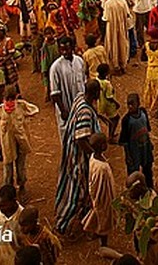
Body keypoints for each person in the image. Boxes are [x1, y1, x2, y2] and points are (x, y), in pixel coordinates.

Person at [55, 79, 101, 235]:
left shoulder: (80, 97)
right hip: (78, 157)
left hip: (71, 151)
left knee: (78, 188)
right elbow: (81, 139)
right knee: (77, 191)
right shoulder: (85, 112)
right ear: (95, 93)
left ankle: (84, 216)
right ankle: (63, 223)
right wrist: (94, 156)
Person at [0, 85, 41, 195]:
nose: (10, 102)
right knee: (8, 169)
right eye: (7, 99)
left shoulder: (21, 106)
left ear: (16, 97)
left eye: (12, 99)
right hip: (7, 145)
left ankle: (22, 185)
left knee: (21, 167)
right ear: (3, 98)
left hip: (21, 142)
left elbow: (34, 109)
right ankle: (9, 190)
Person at [49, 37, 87, 143]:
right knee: (67, 137)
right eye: (62, 50)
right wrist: (63, 111)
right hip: (66, 107)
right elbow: (54, 93)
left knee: (82, 132)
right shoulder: (55, 67)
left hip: (80, 105)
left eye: (68, 49)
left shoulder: (79, 61)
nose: (65, 52)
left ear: (73, 48)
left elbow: (84, 81)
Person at [82, 132, 115, 247]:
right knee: (104, 220)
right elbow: (98, 185)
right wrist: (96, 199)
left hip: (99, 196)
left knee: (99, 217)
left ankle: (95, 232)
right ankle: (103, 245)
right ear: (102, 146)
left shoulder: (93, 158)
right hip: (103, 198)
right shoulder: (102, 168)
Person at [102, 0, 131, 75]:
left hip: (111, 28)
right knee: (123, 44)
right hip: (122, 26)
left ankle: (116, 66)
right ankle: (123, 64)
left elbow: (105, 18)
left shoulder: (108, 3)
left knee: (113, 45)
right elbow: (127, 14)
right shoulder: (122, 1)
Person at [0, 184, 24, 265]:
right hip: (0, 259)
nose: (0, 209)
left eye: (3, 206)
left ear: (14, 201)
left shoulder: (23, 217)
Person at [94, 64, 121, 141]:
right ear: (106, 73)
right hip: (109, 105)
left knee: (110, 119)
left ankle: (110, 134)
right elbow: (109, 96)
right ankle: (111, 136)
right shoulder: (107, 84)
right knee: (115, 119)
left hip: (101, 103)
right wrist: (116, 103)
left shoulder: (97, 80)